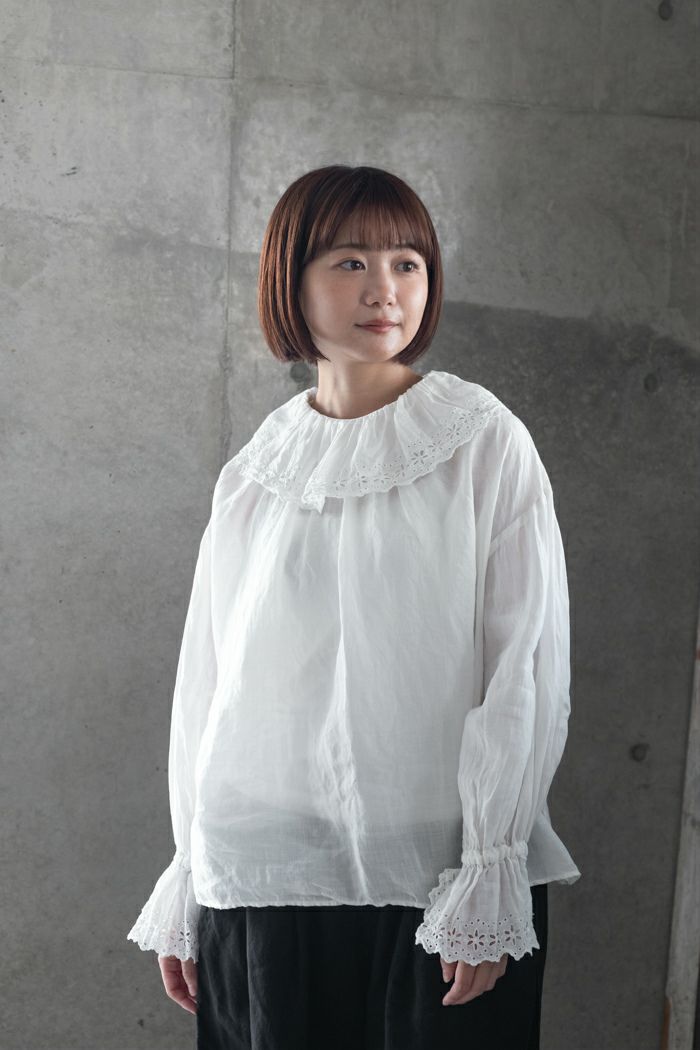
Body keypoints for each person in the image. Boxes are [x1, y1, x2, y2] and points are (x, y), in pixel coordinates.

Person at [127, 164, 581, 1049]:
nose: (385, 289)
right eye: (349, 262)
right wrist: (191, 870)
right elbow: (208, 688)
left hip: (439, 874)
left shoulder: (481, 440)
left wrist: (491, 863)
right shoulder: (258, 469)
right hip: (264, 870)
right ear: (289, 280)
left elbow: (524, 664)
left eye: (407, 262)